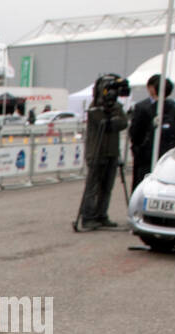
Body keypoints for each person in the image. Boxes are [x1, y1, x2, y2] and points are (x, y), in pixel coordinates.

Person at [77, 73, 129, 231]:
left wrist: (113, 116)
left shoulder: (117, 107)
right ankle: (88, 216)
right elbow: (104, 123)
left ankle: (102, 214)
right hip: (96, 152)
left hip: (112, 152)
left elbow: (123, 123)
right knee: (92, 186)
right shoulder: (94, 107)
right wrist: (112, 118)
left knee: (107, 186)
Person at [129, 74, 175, 189]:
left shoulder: (142, 108)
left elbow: (135, 135)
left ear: (151, 88)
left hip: (146, 159)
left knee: (144, 187)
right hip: (169, 158)